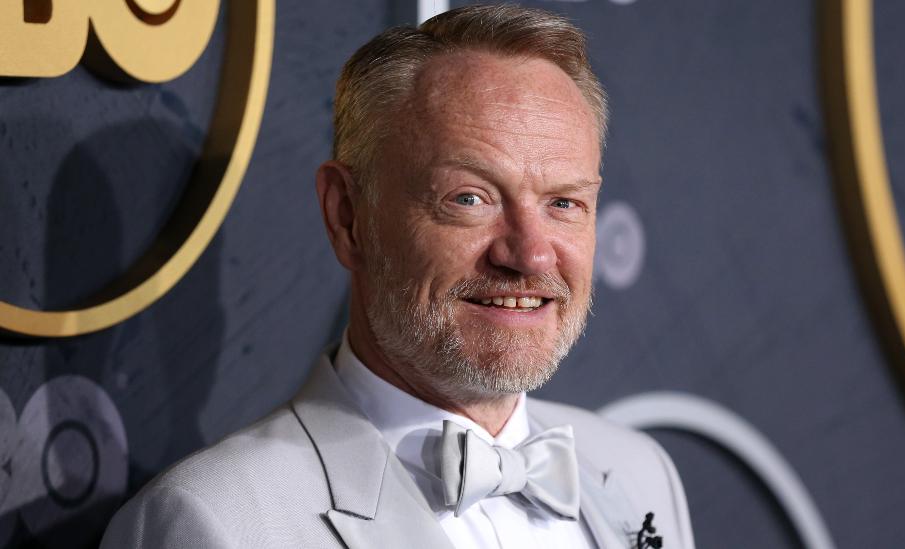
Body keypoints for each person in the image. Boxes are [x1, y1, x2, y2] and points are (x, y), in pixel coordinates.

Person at [100, 5, 695, 548]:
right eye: (470, 197)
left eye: (564, 203)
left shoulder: (643, 475)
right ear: (348, 217)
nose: (531, 256)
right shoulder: (212, 524)